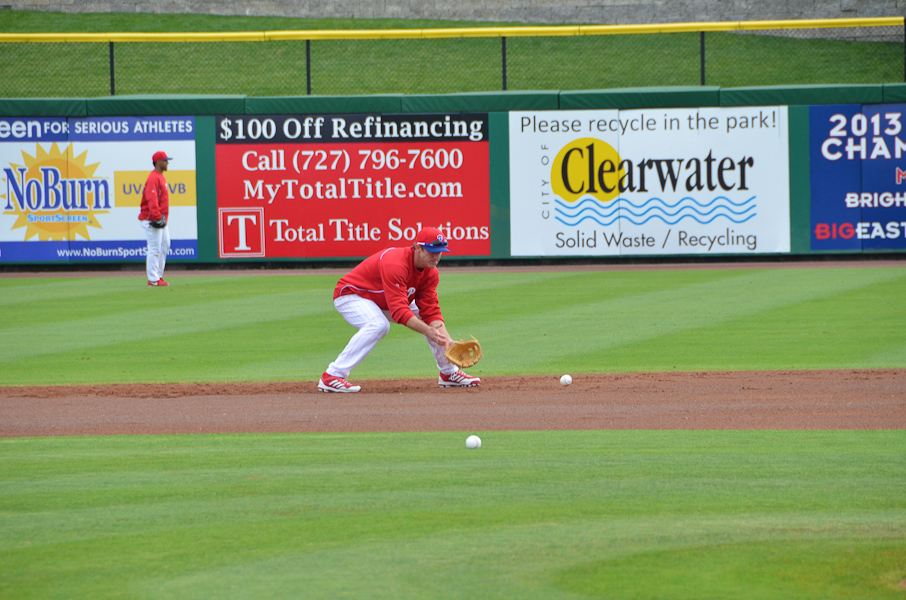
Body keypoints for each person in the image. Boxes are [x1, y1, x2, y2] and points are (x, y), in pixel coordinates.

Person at [319, 226, 481, 393]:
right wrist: (428, 331)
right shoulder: (395, 263)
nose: (437, 256)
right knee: (379, 325)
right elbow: (399, 312)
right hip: (352, 295)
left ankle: (449, 374)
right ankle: (332, 375)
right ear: (418, 247)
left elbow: (431, 311)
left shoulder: (430, 272)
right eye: (432, 251)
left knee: (430, 323)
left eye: (440, 252)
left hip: (383, 300)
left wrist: (448, 341)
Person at [139, 151, 172, 287]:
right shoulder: (154, 178)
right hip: (151, 218)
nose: (167, 162)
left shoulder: (160, 177)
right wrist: (157, 217)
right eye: (165, 160)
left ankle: (158, 275)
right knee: (154, 247)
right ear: (158, 162)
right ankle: (153, 279)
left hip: (160, 219)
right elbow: (151, 200)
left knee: (165, 244)